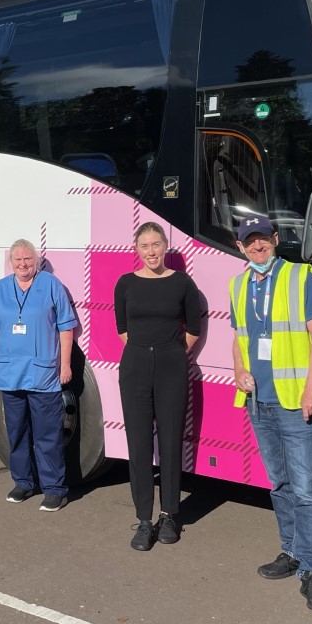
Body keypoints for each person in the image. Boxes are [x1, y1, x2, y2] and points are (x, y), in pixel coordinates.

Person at [229, 212, 312, 613]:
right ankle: (290, 552)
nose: (258, 246)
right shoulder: (238, 285)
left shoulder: (299, 277)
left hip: (296, 402)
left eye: (263, 239)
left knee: (307, 490)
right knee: (279, 484)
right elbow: (238, 337)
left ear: (275, 239)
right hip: (259, 402)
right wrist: (239, 369)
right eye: (250, 241)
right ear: (240, 247)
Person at [114, 222, 202, 551]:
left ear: (165, 246)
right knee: (138, 446)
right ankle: (143, 519)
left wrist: (171, 352)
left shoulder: (182, 283)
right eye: (144, 246)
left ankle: (168, 515)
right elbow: (122, 328)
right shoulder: (125, 284)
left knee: (169, 441)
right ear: (136, 250)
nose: (151, 251)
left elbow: (193, 327)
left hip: (171, 365)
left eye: (156, 245)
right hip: (135, 365)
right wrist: (145, 350)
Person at [0, 239, 78, 512]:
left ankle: (54, 489)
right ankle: (23, 482)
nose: (23, 264)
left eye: (28, 259)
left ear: (36, 261)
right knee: (17, 431)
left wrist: (65, 364)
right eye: (18, 260)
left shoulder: (50, 285)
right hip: (10, 372)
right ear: (10, 263)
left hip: (43, 372)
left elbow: (66, 328)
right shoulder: (0, 288)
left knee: (47, 434)